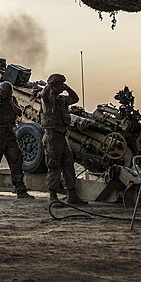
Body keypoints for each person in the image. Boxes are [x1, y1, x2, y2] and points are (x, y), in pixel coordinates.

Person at [41, 73, 87, 205]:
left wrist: (67, 88)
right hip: (52, 136)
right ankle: (53, 196)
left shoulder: (61, 100)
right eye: (60, 84)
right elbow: (44, 95)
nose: (62, 86)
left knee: (68, 165)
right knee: (54, 166)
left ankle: (72, 195)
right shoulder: (48, 100)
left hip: (62, 135)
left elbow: (75, 98)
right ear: (54, 85)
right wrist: (49, 85)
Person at [0, 81, 34, 201]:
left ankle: (21, 190)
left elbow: (19, 112)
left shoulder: (12, 100)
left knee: (16, 161)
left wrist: (11, 102)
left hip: (10, 133)